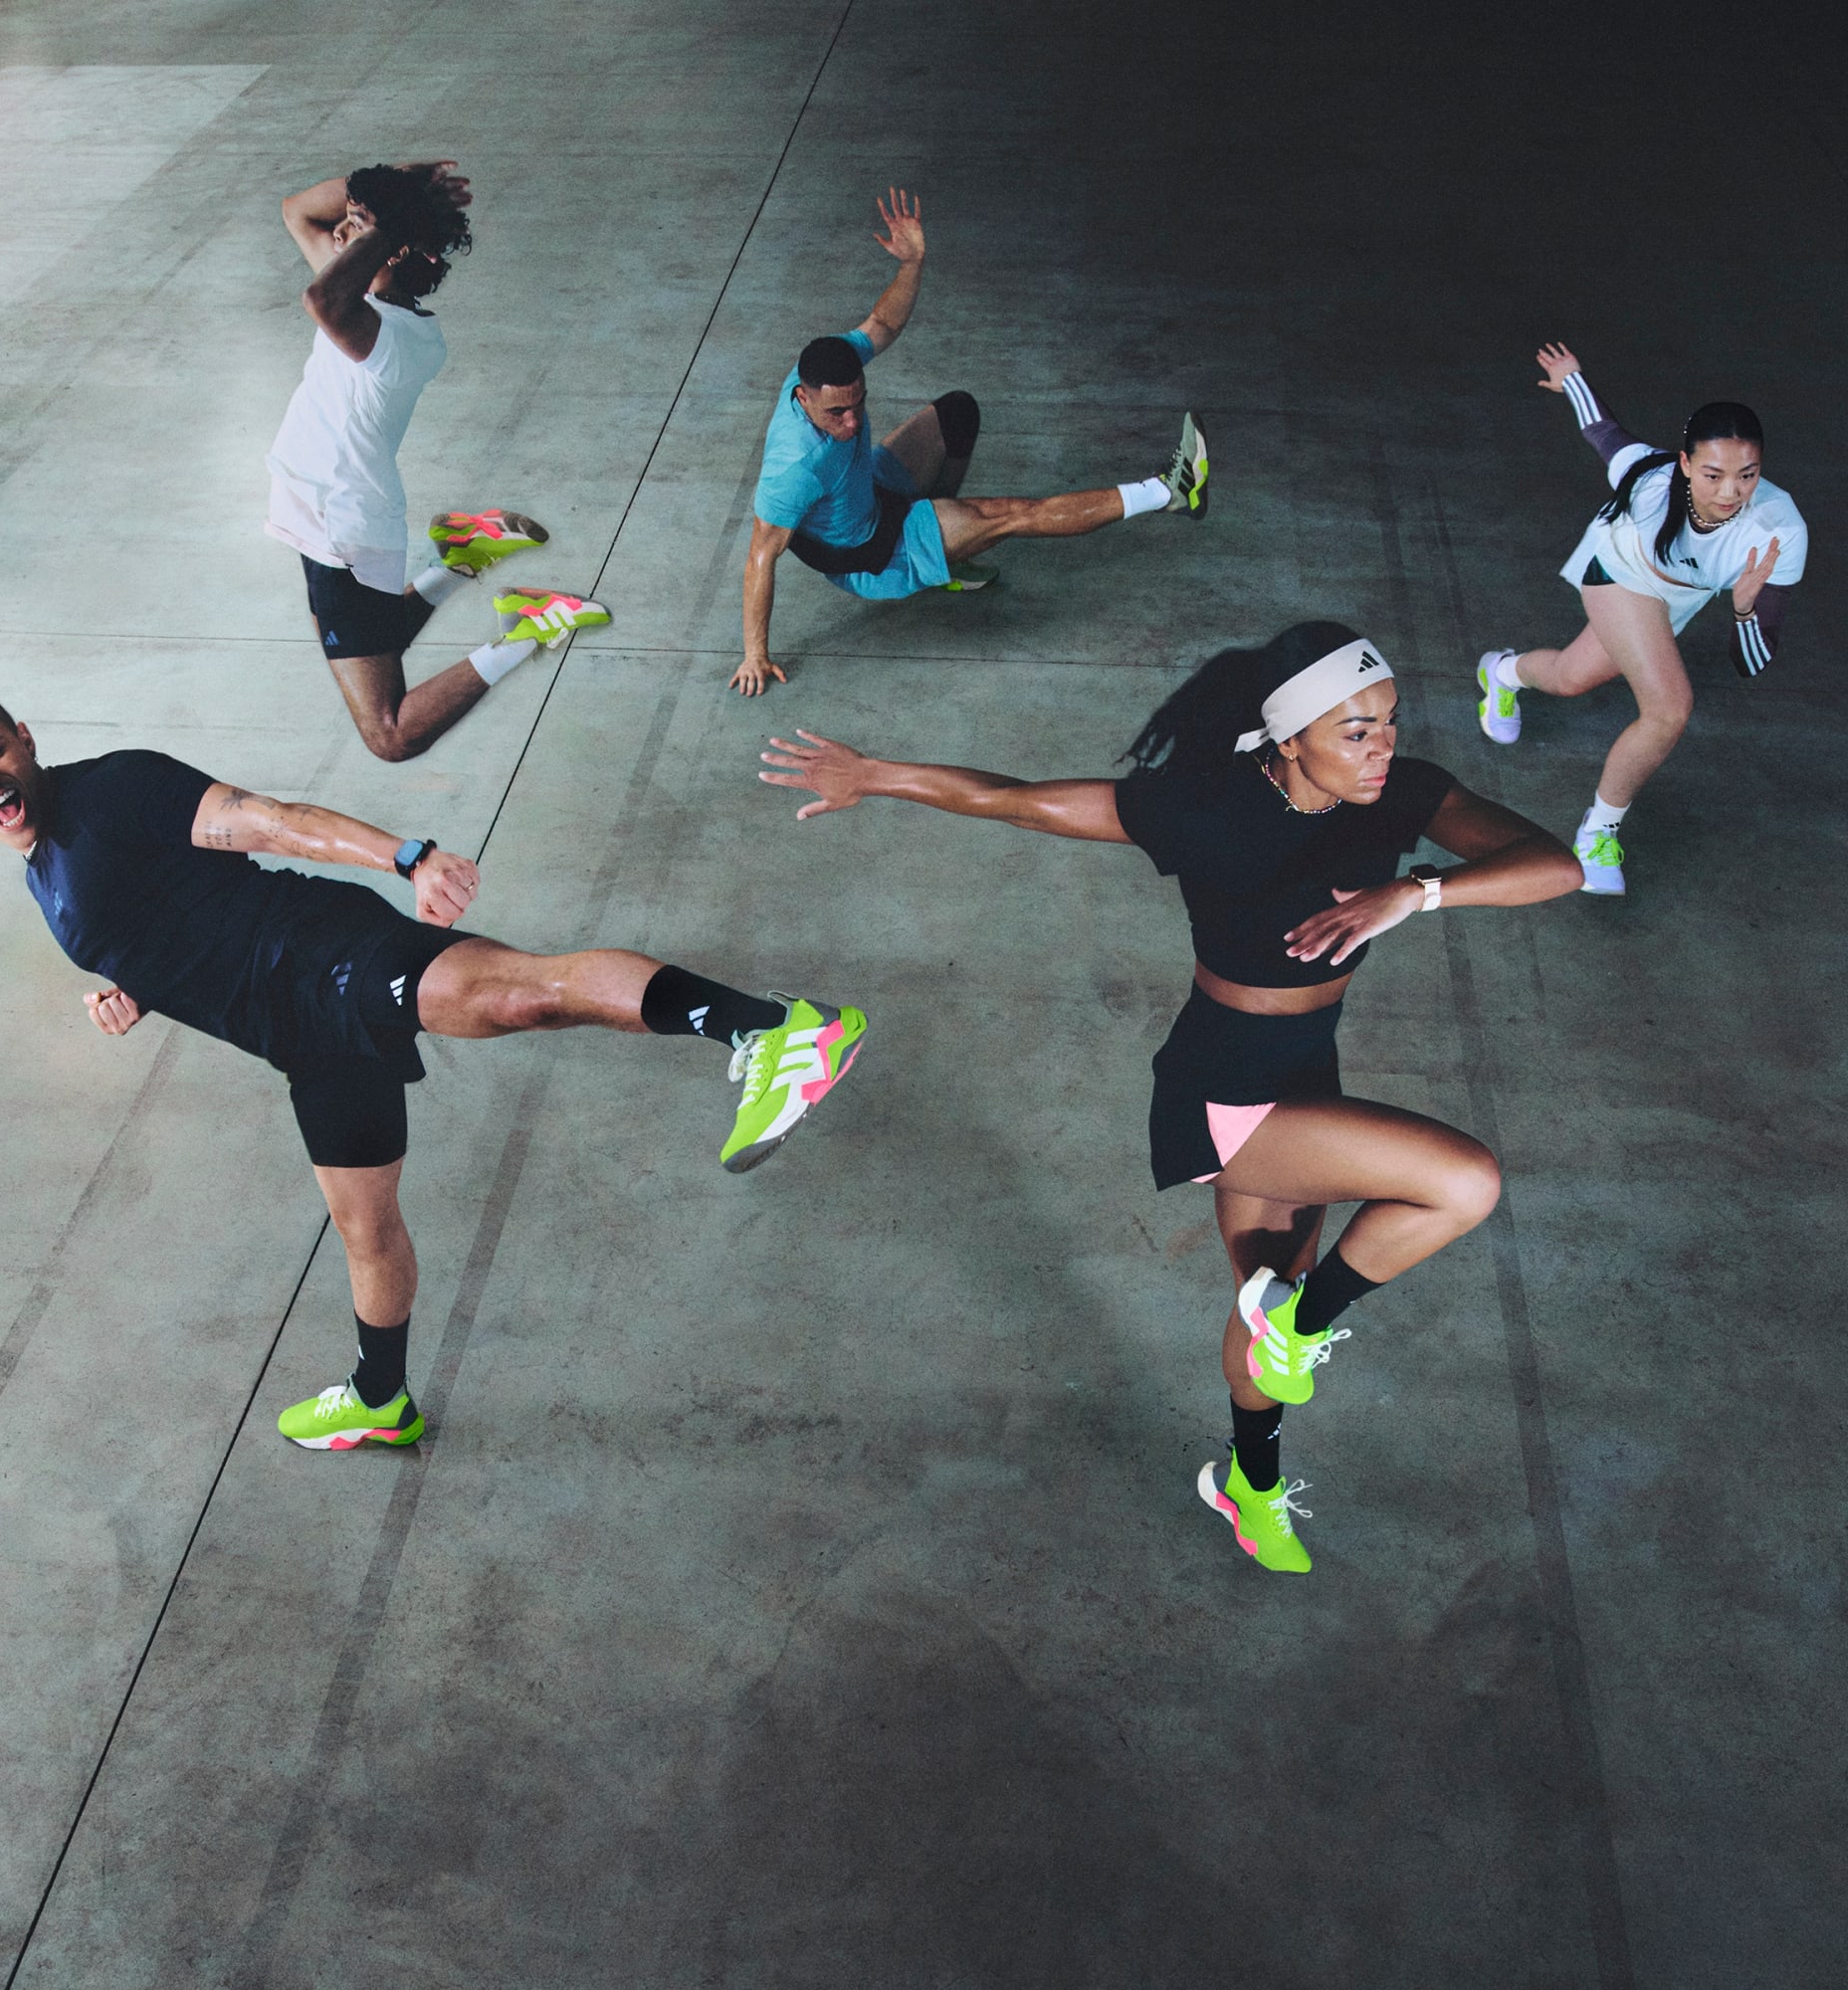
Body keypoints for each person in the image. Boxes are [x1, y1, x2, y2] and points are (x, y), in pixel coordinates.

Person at [755, 624, 1580, 1572]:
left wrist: (1416, 893)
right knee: (1461, 1183)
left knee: (1262, 1313)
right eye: (1355, 732)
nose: (1382, 747)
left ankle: (1251, 1485)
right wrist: (875, 775)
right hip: (1220, 1094)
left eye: (1390, 722)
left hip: (1304, 1075)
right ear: (1290, 738)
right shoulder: (1205, 806)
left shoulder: (1403, 792)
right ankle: (1304, 1319)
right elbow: (1014, 800)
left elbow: (1555, 865)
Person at [0, 679, 869, 1451]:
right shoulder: (43, 869)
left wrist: (406, 856)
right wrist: (134, 987)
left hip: (326, 952)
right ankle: (379, 1398)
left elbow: (267, 820)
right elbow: (163, 913)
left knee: (524, 992)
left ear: (23, 736)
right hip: (300, 1037)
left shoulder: (112, 788)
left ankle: (777, 1030)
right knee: (365, 1225)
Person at [731, 188, 1211, 696]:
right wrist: (755, 655)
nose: (852, 422)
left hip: (870, 490)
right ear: (803, 398)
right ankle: (1171, 490)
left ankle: (946, 550)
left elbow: (883, 323)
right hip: (877, 553)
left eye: (859, 403)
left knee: (958, 413)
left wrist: (912, 263)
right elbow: (761, 556)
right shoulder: (794, 469)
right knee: (1015, 514)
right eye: (837, 414)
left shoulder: (821, 370)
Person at [270, 159, 612, 760]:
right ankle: (458, 560)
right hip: (334, 513)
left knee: (390, 734)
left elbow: (320, 298)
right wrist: (399, 183)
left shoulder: (387, 334)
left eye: (355, 225)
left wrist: (392, 216)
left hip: (338, 529)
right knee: (370, 648)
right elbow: (296, 211)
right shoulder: (370, 302)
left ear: (392, 247)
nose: (338, 232)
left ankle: (531, 630)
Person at [1476, 342, 1807, 895]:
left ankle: (1502, 672)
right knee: (1669, 707)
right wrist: (1572, 379)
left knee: (1571, 678)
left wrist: (1744, 607)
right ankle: (1597, 834)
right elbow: (1605, 432)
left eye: (1748, 475)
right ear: (1685, 463)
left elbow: (1752, 662)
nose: (1731, 492)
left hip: (1674, 601)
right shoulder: (1652, 480)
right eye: (1713, 474)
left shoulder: (1780, 530)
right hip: (1617, 574)